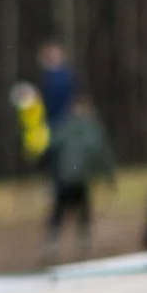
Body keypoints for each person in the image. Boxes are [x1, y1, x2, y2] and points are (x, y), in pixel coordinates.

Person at [41, 94, 116, 259]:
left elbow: (50, 148)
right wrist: (108, 176)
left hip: (65, 176)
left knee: (62, 210)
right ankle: (80, 243)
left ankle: (55, 244)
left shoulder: (63, 125)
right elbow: (100, 152)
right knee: (78, 209)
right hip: (77, 177)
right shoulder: (90, 129)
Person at [36, 42, 76, 127]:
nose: (50, 58)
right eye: (46, 55)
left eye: (52, 55)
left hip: (62, 124)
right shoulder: (45, 77)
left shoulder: (64, 78)